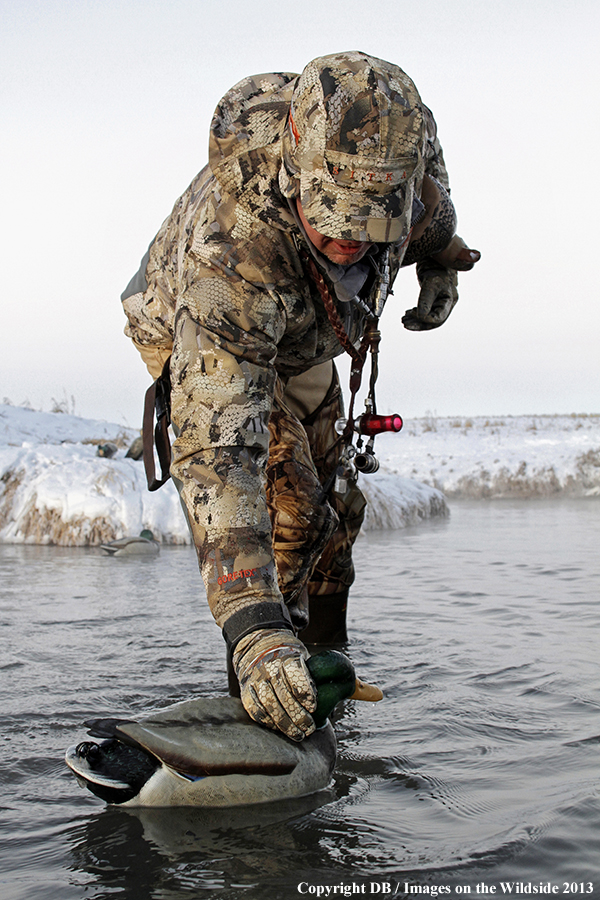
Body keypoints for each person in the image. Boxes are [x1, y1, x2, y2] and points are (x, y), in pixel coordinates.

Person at [121, 51, 480, 744]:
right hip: (208, 328)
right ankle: (264, 695)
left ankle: (331, 668)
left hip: (305, 333)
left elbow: (431, 216)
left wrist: (440, 263)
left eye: (368, 223)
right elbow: (221, 457)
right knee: (292, 515)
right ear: (294, 178)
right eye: (332, 221)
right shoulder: (232, 256)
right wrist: (253, 627)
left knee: (337, 510)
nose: (349, 243)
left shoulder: (403, 145)